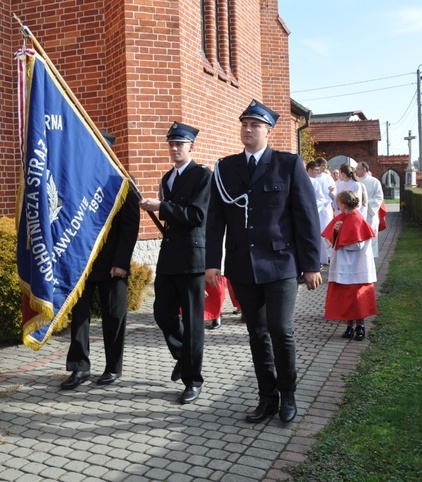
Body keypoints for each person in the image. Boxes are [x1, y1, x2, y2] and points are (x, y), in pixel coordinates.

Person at [205, 100, 322, 424]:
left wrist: (312, 264)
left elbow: (307, 218)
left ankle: (288, 396)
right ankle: (266, 398)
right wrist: (212, 261)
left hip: (282, 264)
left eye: (254, 125)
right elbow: (215, 220)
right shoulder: (226, 168)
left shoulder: (288, 164)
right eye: (244, 124)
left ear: (268, 130)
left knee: (280, 330)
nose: (247, 129)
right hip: (243, 267)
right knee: (257, 334)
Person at [61, 130, 140, 390]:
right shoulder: (76, 181)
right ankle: (79, 367)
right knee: (79, 317)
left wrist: (121, 262)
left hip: (112, 264)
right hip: (82, 264)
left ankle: (112, 368)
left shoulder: (121, 182)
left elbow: (130, 227)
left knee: (114, 317)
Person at [139, 121, 211, 405]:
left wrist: (161, 207)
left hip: (193, 258)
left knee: (194, 323)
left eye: (179, 144)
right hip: (169, 256)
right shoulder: (167, 177)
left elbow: (197, 215)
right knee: (162, 312)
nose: (174, 148)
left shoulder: (202, 175)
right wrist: (156, 206)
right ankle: (184, 356)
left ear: (190, 146)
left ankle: (193, 380)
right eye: (171, 144)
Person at [322, 190, 377, 341]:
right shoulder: (341, 218)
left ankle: (360, 326)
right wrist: (335, 231)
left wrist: (340, 234)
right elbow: (328, 240)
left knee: (357, 298)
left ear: (344, 204)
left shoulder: (357, 219)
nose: (337, 205)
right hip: (343, 266)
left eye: (339, 202)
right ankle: (349, 326)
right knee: (346, 298)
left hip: (357, 266)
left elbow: (357, 245)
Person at [356, 161, 385, 258]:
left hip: (370, 213)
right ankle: (361, 257)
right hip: (359, 213)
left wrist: (365, 202)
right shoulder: (356, 181)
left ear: (364, 170)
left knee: (371, 236)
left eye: (358, 169)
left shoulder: (374, 181)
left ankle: (371, 257)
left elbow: (379, 197)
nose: (356, 170)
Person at [307, 161, 333, 265]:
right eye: (316, 170)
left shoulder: (315, 182)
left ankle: (321, 259)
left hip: (317, 212)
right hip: (301, 214)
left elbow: (321, 198)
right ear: (309, 170)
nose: (318, 173)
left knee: (320, 235)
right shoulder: (302, 180)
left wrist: (310, 208)